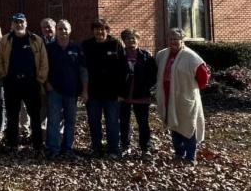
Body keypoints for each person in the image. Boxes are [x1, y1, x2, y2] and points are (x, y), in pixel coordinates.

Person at [156, 28, 211, 164]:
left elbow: (203, 78)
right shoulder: (162, 55)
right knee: (174, 126)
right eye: (170, 39)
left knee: (188, 126)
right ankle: (179, 153)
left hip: (186, 97)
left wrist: (190, 88)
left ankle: (190, 156)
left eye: (176, 39)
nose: (173, 41)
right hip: (168, 97)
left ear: (182, 40)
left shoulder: (191, 57)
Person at [0, 13, 49, 154]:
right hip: (12, 83)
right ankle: (12, 144)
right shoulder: (5, 40)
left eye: (21, 22)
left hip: (31, 83)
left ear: (26, 23)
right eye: (16, 22)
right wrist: (3, 77)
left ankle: (37, 145)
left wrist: (40, 80)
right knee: (12, 115)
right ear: (12, 24)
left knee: (35, 115)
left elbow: (44, 61)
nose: (19, 24)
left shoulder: (36, 39)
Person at [82, 18, 128, 158]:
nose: (99, 32)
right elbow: (82, 69)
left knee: (112, 122)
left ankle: (113, 149)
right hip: (93, 93)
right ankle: (96, 148)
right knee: (94, 122)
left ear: (107, 30)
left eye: (102, 29)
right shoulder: (86, 45)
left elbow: (124, 70)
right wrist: (83, 91)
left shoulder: (115, 44)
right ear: (93, 31)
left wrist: (122, 92)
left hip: (112, 93)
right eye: (97, 29)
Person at [45, 20, 86, 158]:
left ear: (70, 30)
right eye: (60, 28)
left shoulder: (77, 48)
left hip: (72, 91)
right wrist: (46, 83)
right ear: (56, 31)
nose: (63, 31)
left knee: (70, 121)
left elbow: (83, 70)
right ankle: (53, 149)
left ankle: (68, 148)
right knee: (53, 121)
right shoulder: (49, 48)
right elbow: (43, 67)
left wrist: (84, 89)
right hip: (54, 90)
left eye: (65, 29)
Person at [120, 29, 158, 157]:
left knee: (143, 123)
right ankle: (125, 145)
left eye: (134, 38)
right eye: (128, 38)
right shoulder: (120, 55)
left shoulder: (146, 56)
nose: (131, 40)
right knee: (124, 122)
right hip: (123, 95)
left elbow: (153, 74)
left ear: (138, 40)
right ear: (124, 41)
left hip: (141, 95)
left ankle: (145, 147)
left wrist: (146, 86)